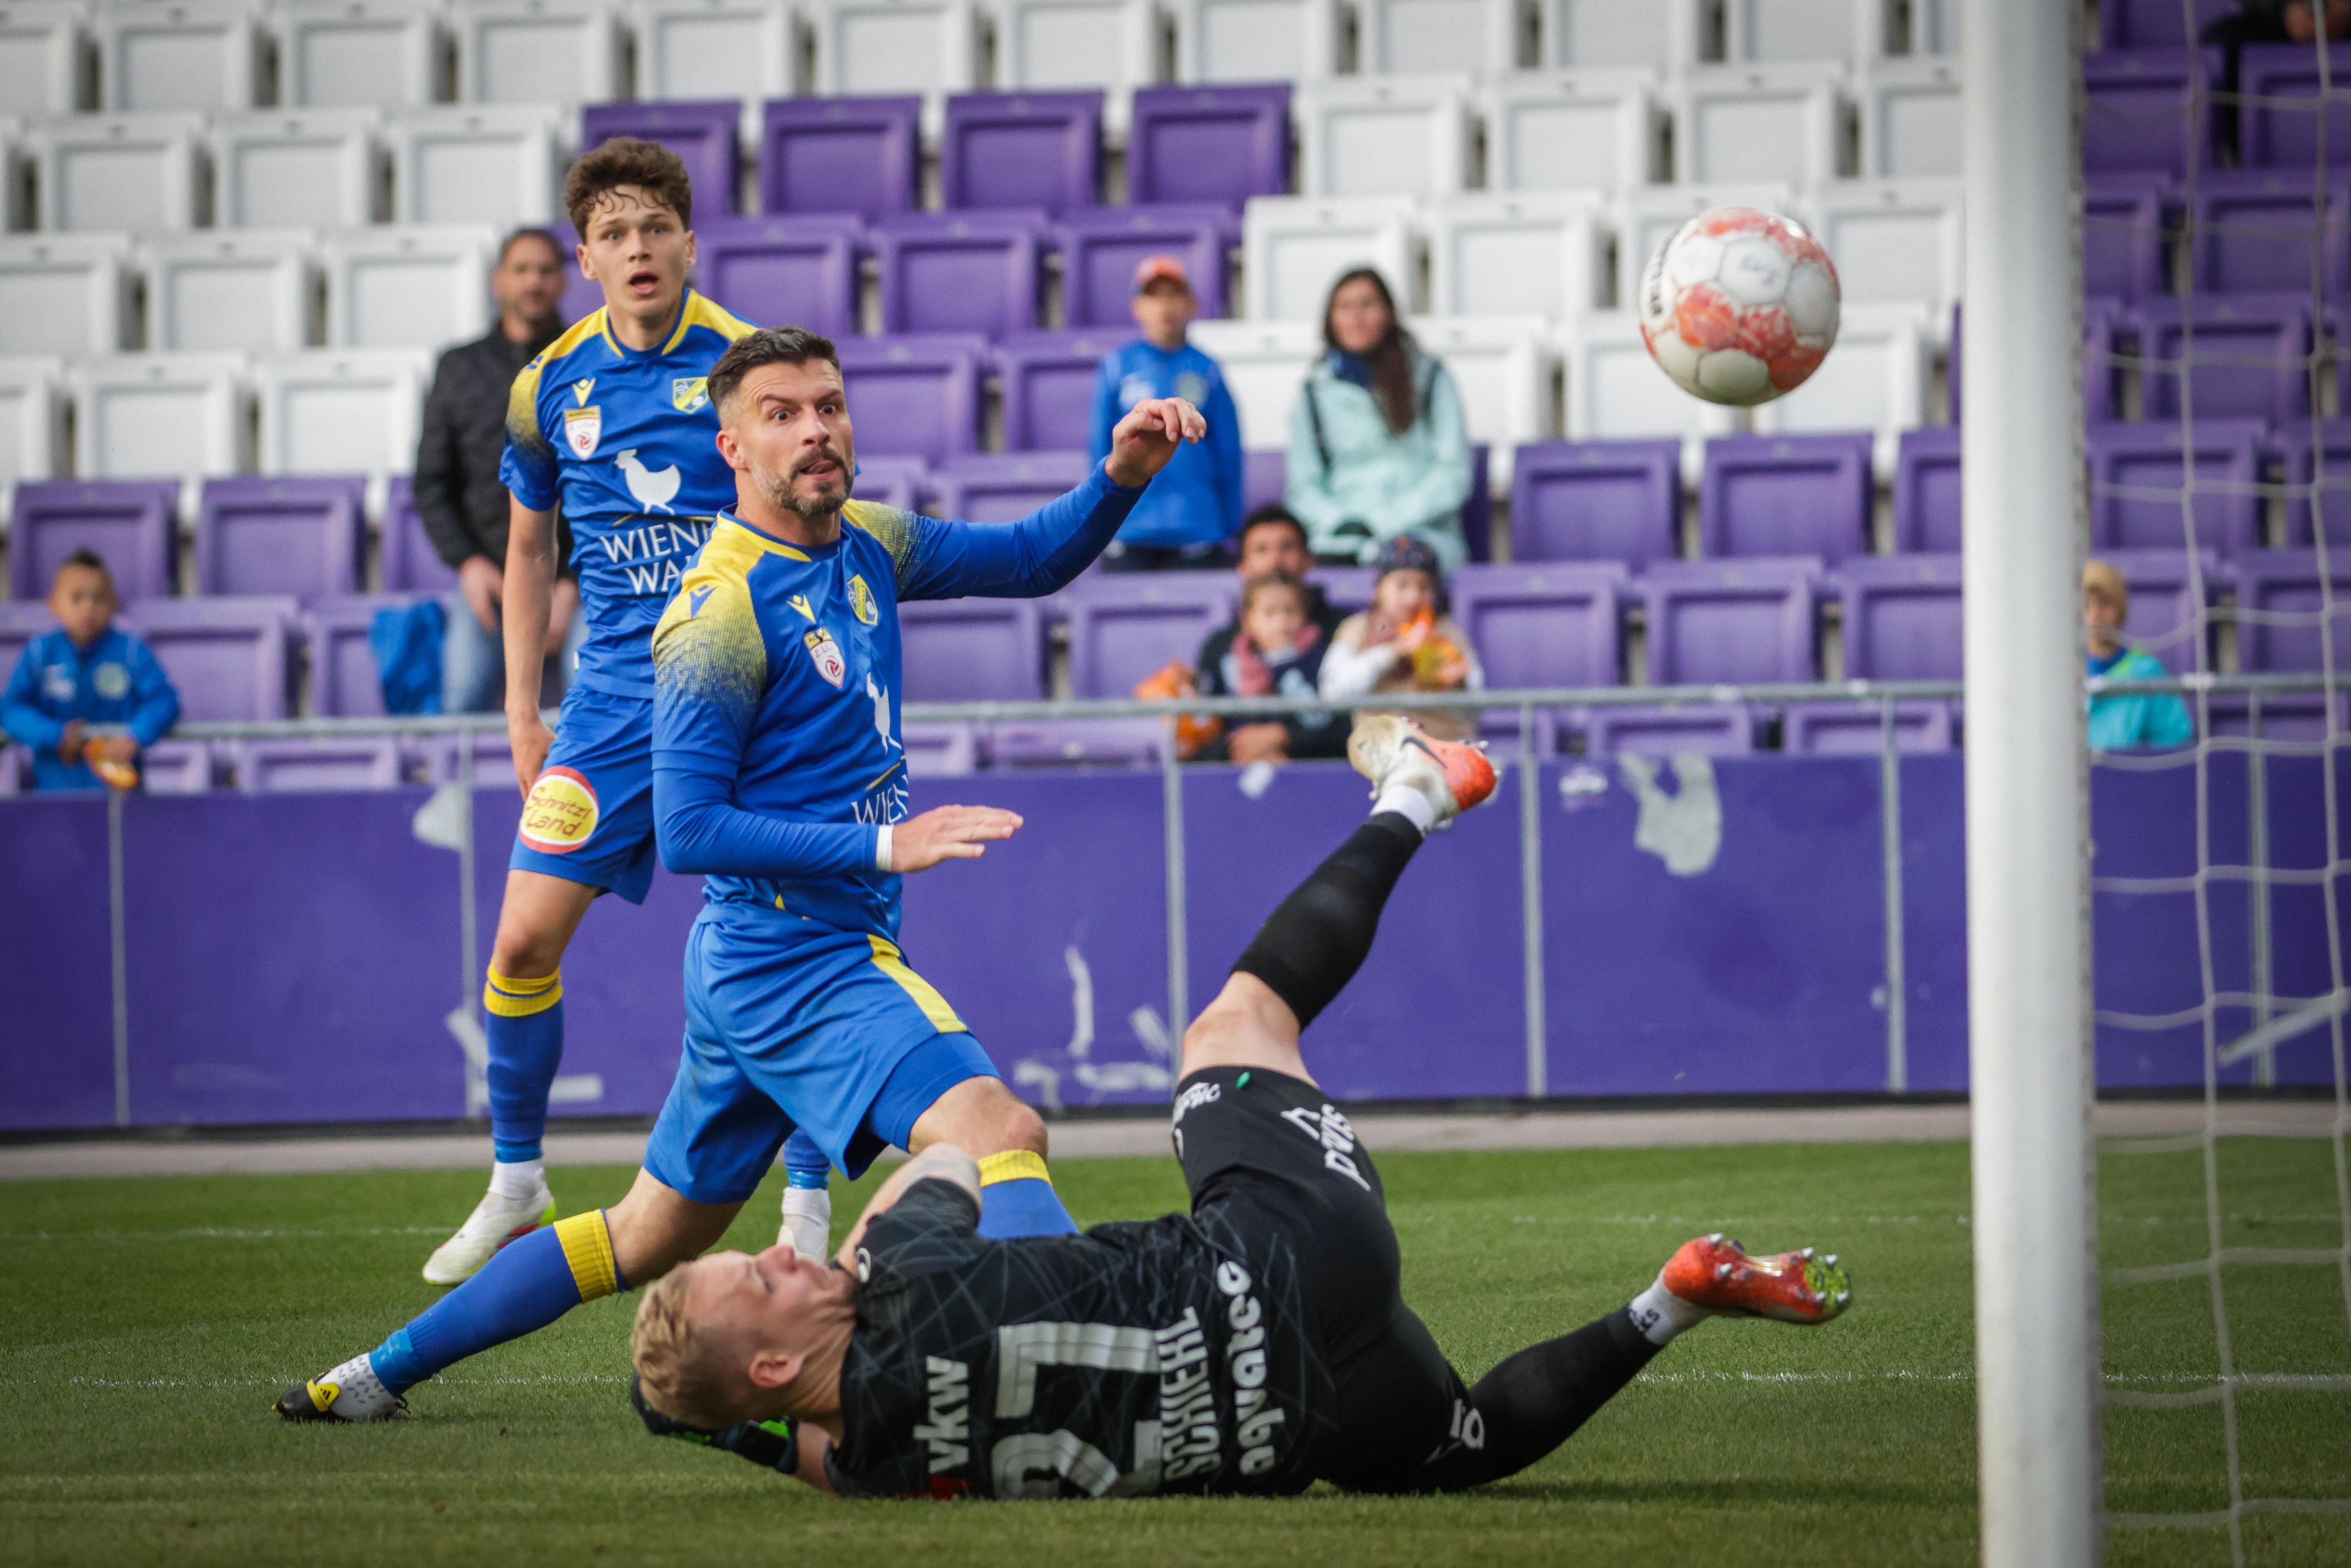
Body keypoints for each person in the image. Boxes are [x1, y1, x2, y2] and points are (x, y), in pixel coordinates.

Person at [273, 327, 1205, 1426]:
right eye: (782, 413)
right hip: (799, 959)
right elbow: (692, 830)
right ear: (731, 445)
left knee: (645, 1233)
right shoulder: (717, 610)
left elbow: (1030, 559)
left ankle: (373, 1376)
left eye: (829, 406)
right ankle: (1097, 1402)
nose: (816, 429)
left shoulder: (866, 540)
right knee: (999, 1132)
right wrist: (882, 846)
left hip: (750, 970)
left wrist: (1118, 479)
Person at [624, 714, 1854, 1497]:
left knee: (1456, 1449)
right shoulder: (903, 1263)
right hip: (1291, 1239)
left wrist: (714, 1398)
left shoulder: (883, 1466)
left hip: (1299, 1409)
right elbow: (976, 1133)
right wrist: (851, 1233)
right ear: (780, 1354)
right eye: (770, 1277)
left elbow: (778, 1439)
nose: (786, 1255)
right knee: (1236, 1024)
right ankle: (1421, 788)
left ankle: (1671, 1299)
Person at [416, 137, 834, 1289]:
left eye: (655, 227)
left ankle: (804, 1195)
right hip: (601, 708)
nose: (636, 247)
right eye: (613, 231)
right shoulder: (546, 380)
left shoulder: (747, 365)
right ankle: (516, 1181)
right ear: (584, 257)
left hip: (738, 697)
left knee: (793, 942)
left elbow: (812, 511)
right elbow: (524, 542)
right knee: (518, 942)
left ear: (687, 244)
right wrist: (520, 705)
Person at [414, 227, 585, 715]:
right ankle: (455, 794)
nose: (533, 282)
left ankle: (592, 795)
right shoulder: (458, 368)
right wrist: (468, 564)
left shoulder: (586, 360)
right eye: (521, 270)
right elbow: (431, 482)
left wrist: (570, 581)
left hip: (585, 572)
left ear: (563, 281)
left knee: (591, 686)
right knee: (462, 692)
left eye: (545, 270)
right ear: (498, 280)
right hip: (490, 571)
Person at [1285, 269, 1472, 572]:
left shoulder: (1431, 377)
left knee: (1404, 575)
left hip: (1421, 531)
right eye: (1344, 307)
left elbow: (1453, 475)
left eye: (1367, 305)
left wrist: (1384, 522)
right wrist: (1342, 523)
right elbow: (1303, 486)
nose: (1356, 317)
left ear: (1389, 314)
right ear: (1331, 320)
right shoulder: (1314, 390)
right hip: (1341, 539)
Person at [1090, 255, 1245, 571]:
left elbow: (1229, 451)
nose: (1165, 306)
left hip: (1199, 526)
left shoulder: (1208, 370)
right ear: (1138, 307)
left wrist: (1232, 525)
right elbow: (1099, 445)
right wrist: (1103, 518)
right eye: (1153, 295)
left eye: (1175, 294)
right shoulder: (1117, 366)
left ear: (1193, 305)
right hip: (1130, 527)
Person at [0, 550, 179, 791]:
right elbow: (11, 709)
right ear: (54, 604)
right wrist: (55, 735)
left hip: (120, 795)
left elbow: (164, 701)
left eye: (99, 598)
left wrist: (135, 735)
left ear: (114, 604)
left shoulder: (132, 651)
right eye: (76, 598)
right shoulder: (40, 653)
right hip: (56, 794)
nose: (88, 607)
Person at [1319, 536, 1482, 743]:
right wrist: (1391, 653)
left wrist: (1461, 683)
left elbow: (1476, 711)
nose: (1413, 598)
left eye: (1424, 587)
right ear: (1379, 589)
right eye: (1402, 585)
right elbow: (1333, 694)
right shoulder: (1358, 628)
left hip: (1444, 750)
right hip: (1381, 752)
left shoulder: (1450, 633)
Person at [1190, 571, 1346, 764]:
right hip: (1235, 761)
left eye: (1290, 611)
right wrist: (1236, 744)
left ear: (1305, 615)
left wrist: (1285, 737)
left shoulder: (1324, 658)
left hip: (1304, 765)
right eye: (1269, 613)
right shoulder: (1226, 661)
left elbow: (1339, 728)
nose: (1281, 623)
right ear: (1247, 620)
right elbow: (1206, 724)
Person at [2084, 558, 2193, 752]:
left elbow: (2175, 739)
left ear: (2121, 609)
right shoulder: (2060, 671)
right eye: (2086, 605)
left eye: (2105, 603)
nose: (2095, 615)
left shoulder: (2146, 671)